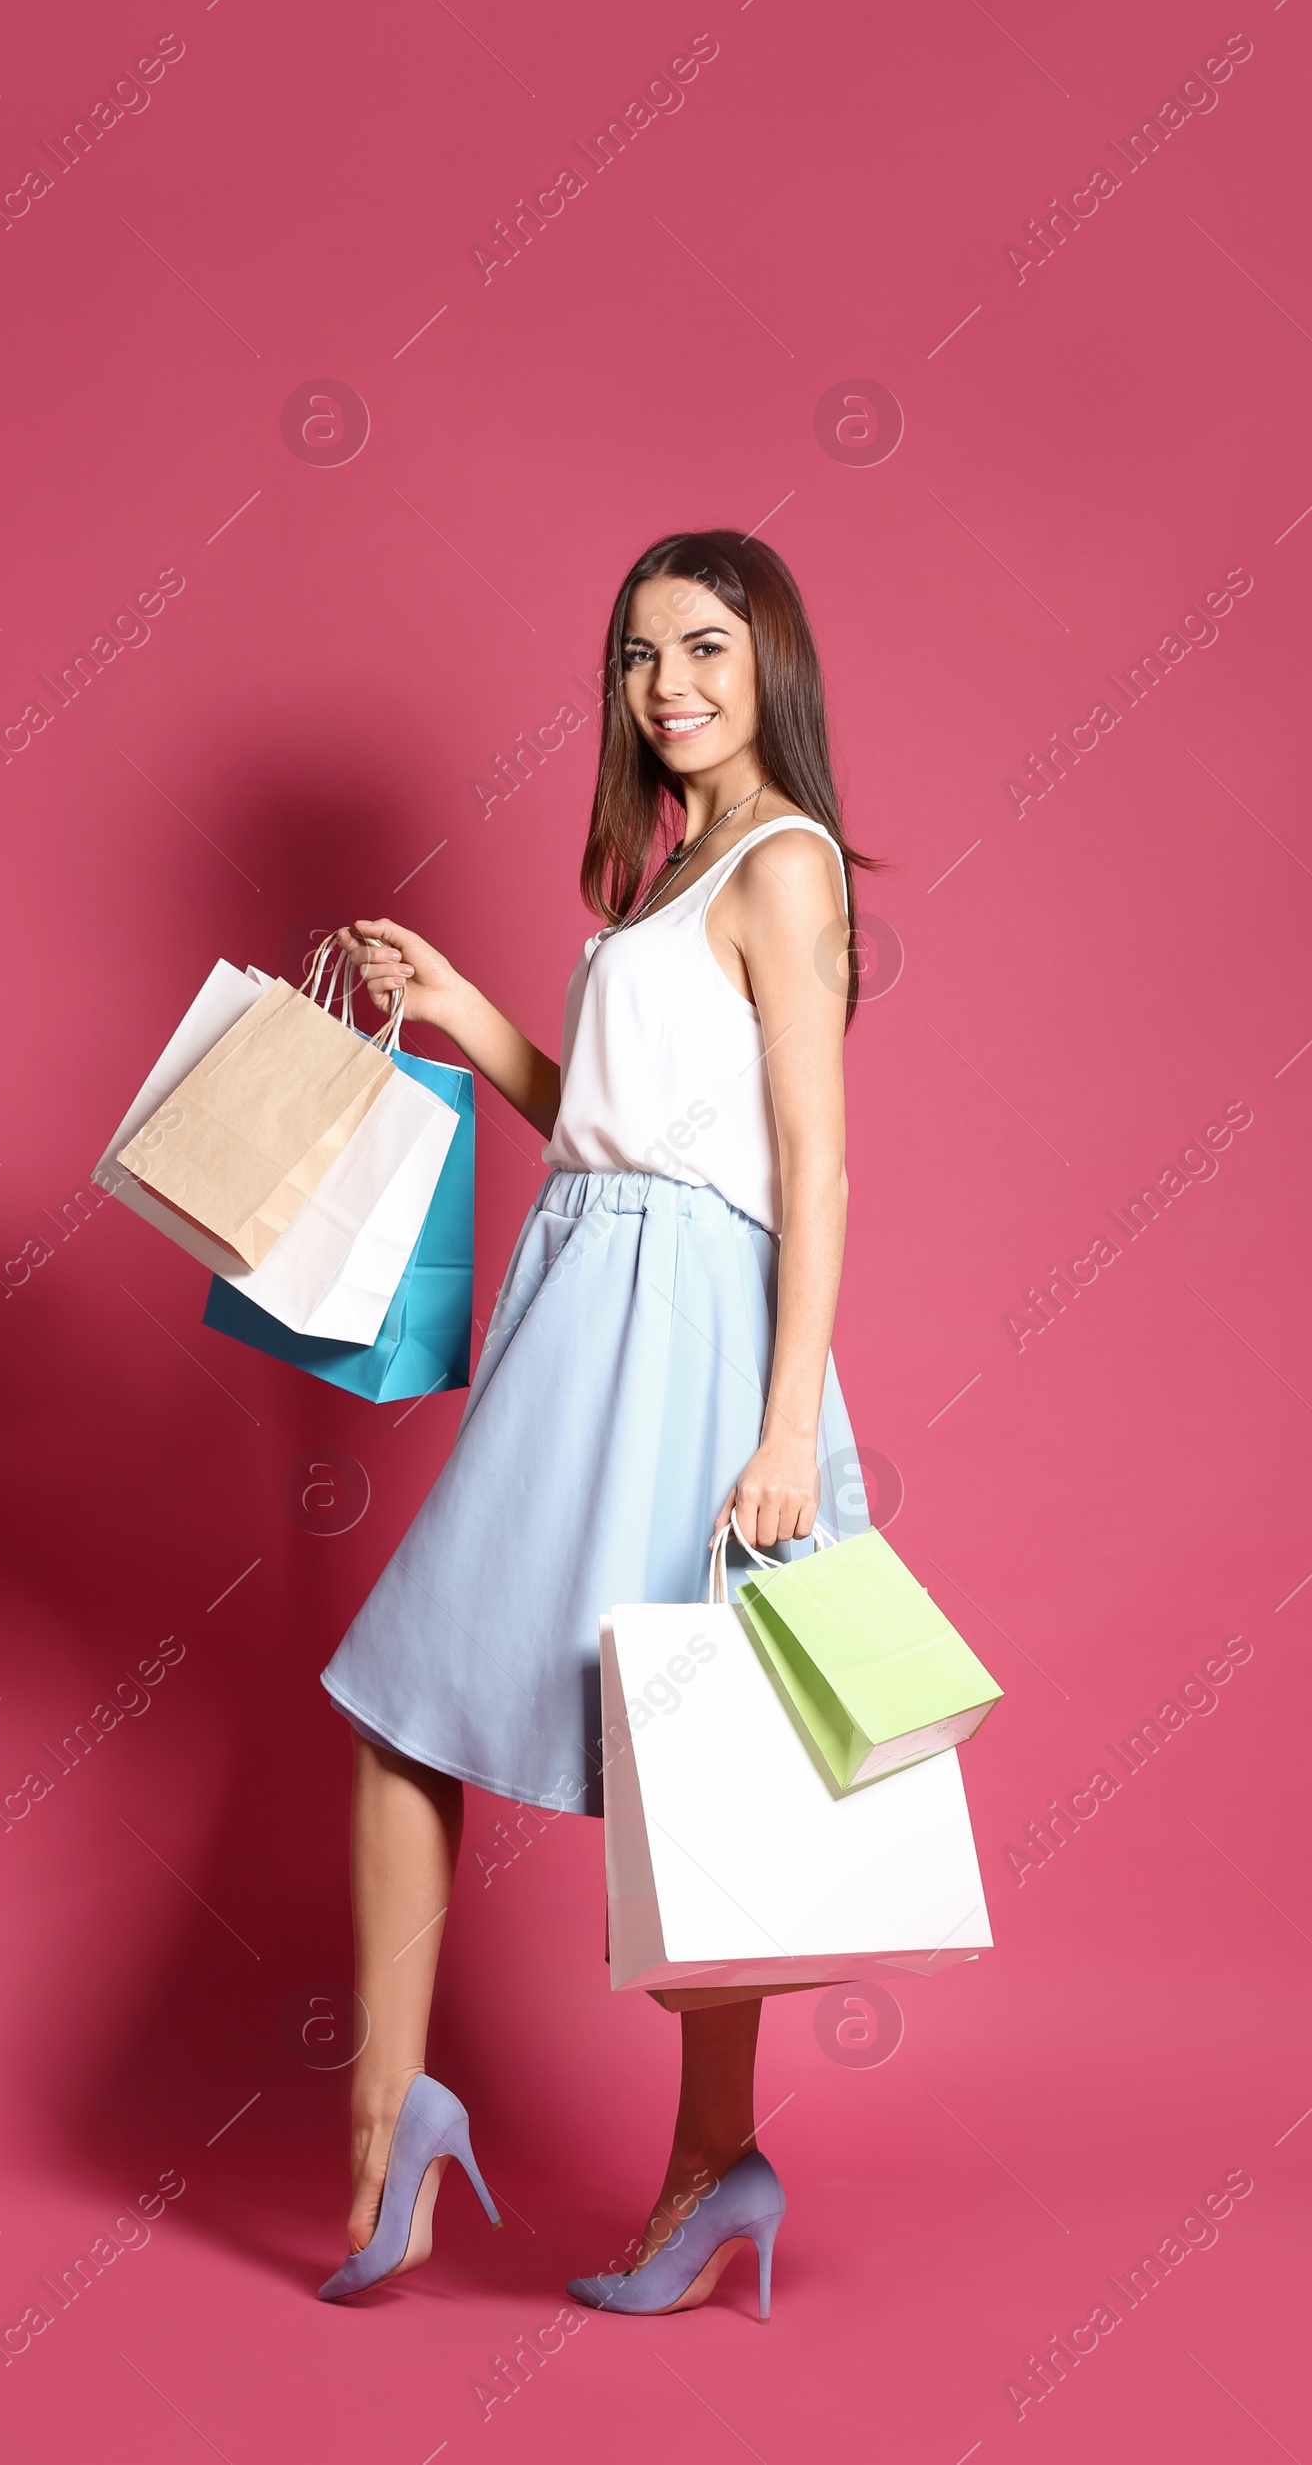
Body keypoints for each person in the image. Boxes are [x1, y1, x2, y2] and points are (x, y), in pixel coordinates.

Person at [315, 528, 881, 2316]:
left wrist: (787, 1428)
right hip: (585, 1303)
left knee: (699, 1764)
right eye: (640, 657)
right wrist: (470, 1010)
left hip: (701, 1338)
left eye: (705, 647)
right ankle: (394, 2112)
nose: (669, 686)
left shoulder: (784, 867)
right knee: (408, 1697)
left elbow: (814, 1163)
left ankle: (714, 2161)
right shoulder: (668, 867)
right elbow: (619, 1130)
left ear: (769, 656)